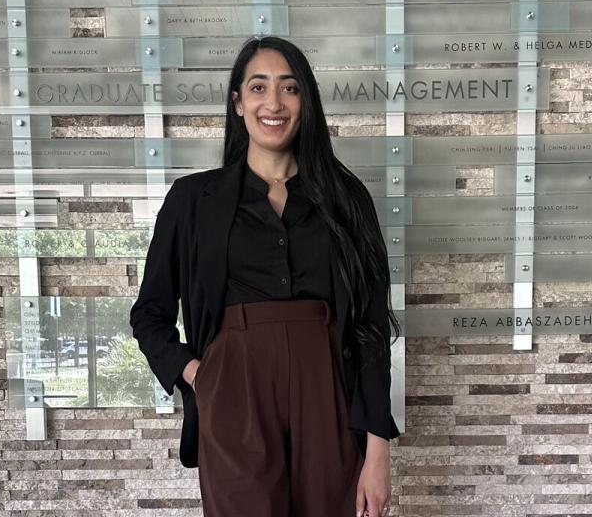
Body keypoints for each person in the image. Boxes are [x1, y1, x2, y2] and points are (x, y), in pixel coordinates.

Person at [129, 35, 401, 517]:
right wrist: (199, 375)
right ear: (237, 102)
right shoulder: (193, 200)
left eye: (289, 88)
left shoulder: (346, 198)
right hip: (234, 388)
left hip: (328, 388)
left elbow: (372, 329)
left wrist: (377, 453)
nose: (272, 103)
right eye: (258, 88)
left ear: (306, 102)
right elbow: (150, 313)